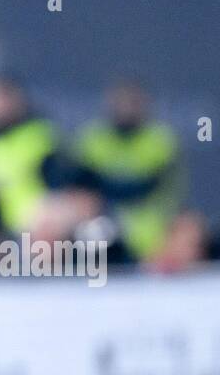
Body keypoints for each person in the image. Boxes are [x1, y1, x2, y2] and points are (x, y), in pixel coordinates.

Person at [75, 80, 182, 262]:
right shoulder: (93, 138)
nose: (126, 108)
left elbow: (147, 187)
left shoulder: (160, 139)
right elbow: (81, 182)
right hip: (102, 229)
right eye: (121, 101)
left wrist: (104, 185)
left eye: (132, 102)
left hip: (153, 230)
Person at [0, 76, 67, 235]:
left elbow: (63, 185)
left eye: (1, 97)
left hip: (44, 233)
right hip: (5, 234)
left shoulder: (41, 135)